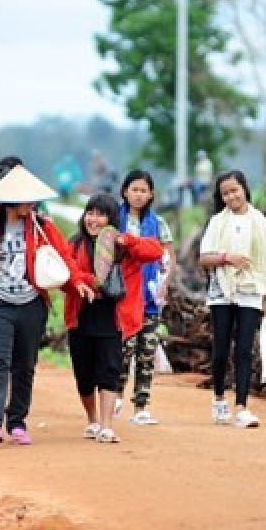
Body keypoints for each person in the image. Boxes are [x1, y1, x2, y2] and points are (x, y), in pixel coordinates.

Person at [0, 165, 94, 448]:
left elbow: (62, 259)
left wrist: (77, 282)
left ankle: (17, 422)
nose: (31, 204)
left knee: (24, 366)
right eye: (25, 199)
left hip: (32, 305)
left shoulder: (43, 226)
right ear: (10, 200)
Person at [65, 194, 165, 444]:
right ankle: (92, 420)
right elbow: (66, 273)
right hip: (82, 315)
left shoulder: (123, 246)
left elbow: (156, 250)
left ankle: (107, 425)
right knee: (84, 374)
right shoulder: (75, 244)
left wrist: (126, 240)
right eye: (90, 213)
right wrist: (85, 282)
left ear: (112, 219)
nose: (94, 219)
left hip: (113, 317)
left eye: (101, 214)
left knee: (109, 370)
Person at [199, 170, 266, 429]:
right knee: (221, 349)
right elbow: (204, 258)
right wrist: (226, 258)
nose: (231, 196)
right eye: (225, 193)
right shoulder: (217, 222)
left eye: (235, 190)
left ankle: (241, 406)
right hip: (222, 290)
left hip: (252, 289)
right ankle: (219, 397)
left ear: (244, 189)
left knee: (244, 349)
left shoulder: (261, 222)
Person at [116, 170, 176, 425]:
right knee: (123, 350)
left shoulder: (158, 223)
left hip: (150, 296)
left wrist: (165, 284)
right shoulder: (114, 219)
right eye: (134, 189)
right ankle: (115, 396)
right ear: (125, 192)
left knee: (146, 351)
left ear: (151, 194)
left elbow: (169, 257)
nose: (139, 195)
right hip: (122, 295)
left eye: (144, 190)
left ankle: (141, 405)